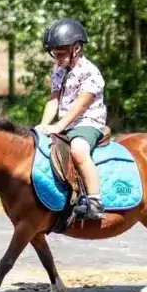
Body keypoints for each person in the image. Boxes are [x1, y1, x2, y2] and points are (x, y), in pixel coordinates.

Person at [35, 18, 108, 221]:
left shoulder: (90, 73)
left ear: (76, 49)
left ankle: (95, 201)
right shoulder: (59, 70)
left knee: (78, 150)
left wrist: (58, 126)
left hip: (87, 122)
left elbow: (80, 106)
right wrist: (44, 125)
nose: (56, 58)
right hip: (66, 122)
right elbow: (54, 100)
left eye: (60, 53)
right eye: (53, 54)